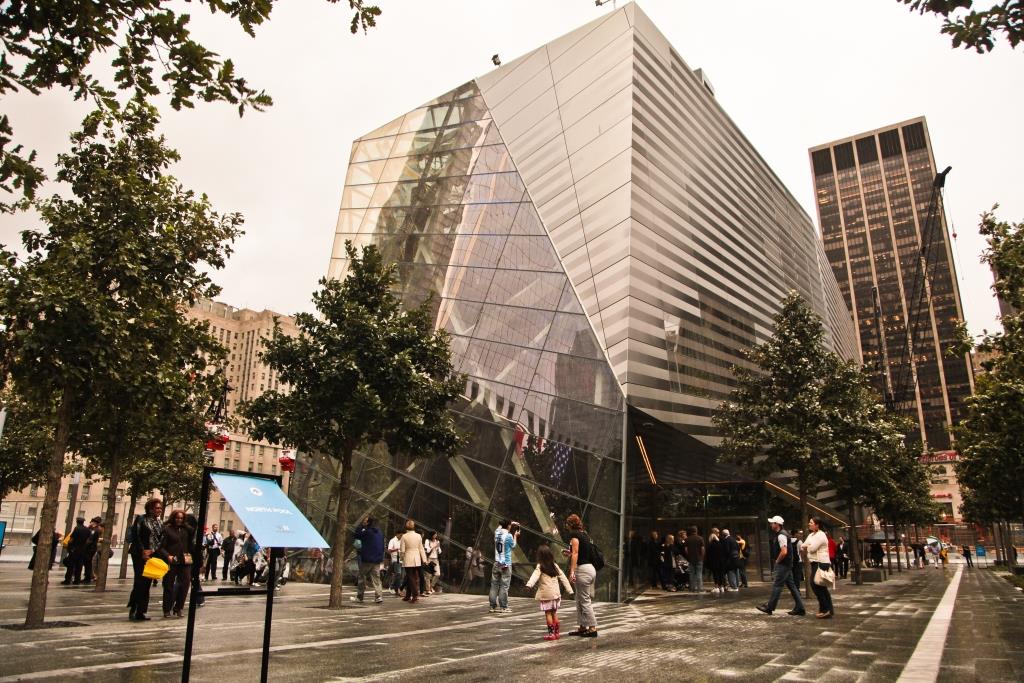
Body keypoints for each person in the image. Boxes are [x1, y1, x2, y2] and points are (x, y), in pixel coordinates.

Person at [756, 515, 806, 616]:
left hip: (783, 564)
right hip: (786, 564)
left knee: (777, 585)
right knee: (792, 586)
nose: (771, 525)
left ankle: (770, 607)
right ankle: (800, 608)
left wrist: (777, 561)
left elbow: (784, 552)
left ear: (777, 524)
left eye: (772, 523)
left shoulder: (781, 535)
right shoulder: (783, 534)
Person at [525, 544, 574, 641]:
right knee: (554, 613)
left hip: (546, 594)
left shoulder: (540, 566)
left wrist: (529, 585)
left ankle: (551, 634)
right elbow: (563, 578)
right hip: (555, 594)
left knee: (548, 613)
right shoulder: (555, 565)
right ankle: (557, 633)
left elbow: (534, 576)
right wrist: (570, 590)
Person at [128, 498, 164, 621]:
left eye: (160, 508)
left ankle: (141, 611)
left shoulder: (160, 523)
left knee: (147, 582)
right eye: (157, 508)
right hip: (138, 554)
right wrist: (143, 551)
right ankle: (134, 607)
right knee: (139, 581)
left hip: (152, 555)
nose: (159, 510)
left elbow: (161, 540)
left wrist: (152, 551)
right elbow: (136, 536)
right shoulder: (141, 519)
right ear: (150, 508)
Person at [565, 513, 599, 638]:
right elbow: (580, 552)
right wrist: (569, 553)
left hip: (583, 569)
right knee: (579, 599)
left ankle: (592, 627)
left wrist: (572, 571)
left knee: (584, 599)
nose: (565, 526)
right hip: (590, 568)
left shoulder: (574, 535)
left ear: (570, 525)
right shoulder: (585, 535)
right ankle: (582, 626)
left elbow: (576, 553)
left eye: (567, 523)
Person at [159, 509, 195, 618]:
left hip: (185, 560)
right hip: (172, 560)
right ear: (173, 518)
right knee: (168, 584)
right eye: (177, 518)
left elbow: (191, 540)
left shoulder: (186, 530)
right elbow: (161, 547)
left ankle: (179, 607)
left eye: (181, 518)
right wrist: (168, 556)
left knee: (185, 584)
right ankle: (167, 609)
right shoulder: (167, 529)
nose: (179, 520)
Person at [804, 517, 834, 619]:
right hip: (815, 562)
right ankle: (827, 610)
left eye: (811, 523)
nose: (809, 524)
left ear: (817, 525)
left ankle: (825, 609)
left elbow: (812, 549)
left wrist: (807, 546)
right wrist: (807, 545)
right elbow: (802, 545)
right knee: (821, 586)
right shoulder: (811, 535)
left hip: (821, 562)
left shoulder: (821, 535)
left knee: (815, 584)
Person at [488, 520, 519, 613]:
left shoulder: (497, 533)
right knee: (504, 586)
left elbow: (499, 528)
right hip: (505, 564)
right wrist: (515, 536)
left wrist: (509, 523)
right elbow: (513, 546)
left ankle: (492, 606)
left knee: (494, 585)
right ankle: (503, 607)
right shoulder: (509, 536)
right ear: (509, 526)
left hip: (497, 563)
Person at [353, 516, 385, 604]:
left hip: (367, 559)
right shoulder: (380, 533)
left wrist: (362, 526)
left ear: (368, 523)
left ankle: (360, 597)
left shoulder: (367, 532)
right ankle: (379, 596)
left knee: (362, 577)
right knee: (376, 579)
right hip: (377, 559)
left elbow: (356, 535)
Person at [399, 520, 428, 604]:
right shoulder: (418, 536)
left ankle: (415, 595)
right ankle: (408, 595)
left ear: (406, 527)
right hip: (417, 559)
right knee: (410, 578)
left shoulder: (404, 536)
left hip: (408, 558)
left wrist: (401, 558)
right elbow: (421, 549)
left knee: (410, 577)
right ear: (414, 526)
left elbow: (402, 550)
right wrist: (424, 559)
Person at [62, 517, 91, 585]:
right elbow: (88, 541)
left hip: (74, 550)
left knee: (71, 565)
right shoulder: (87, 530)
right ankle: (77, 579)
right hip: (82, 550)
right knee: (79, 565)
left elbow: (72, 539)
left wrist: (69, 547)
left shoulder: (77, 528)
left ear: (77, 521)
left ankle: (67, 579)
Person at [685, 526, 705, 593]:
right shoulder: (700, 538)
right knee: (699, 574)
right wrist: (702, 557)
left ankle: (692, 588)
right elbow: (702, 549)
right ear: (696, 531)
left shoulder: (688, 539)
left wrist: (689, 556)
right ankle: (700, 588)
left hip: (691, 559)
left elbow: (686, 550)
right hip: (699, 558)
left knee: (692, 574)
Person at [82, 517, 101, 584]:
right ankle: (87, 577)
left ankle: (88, 578)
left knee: (88, 563)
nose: (90, 522)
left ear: (94, 522)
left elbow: (90, 540)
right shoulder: (92, 529)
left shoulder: (95, 530)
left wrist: (84, 546)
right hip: (90, 548)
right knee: (87, 563)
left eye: (91, 521)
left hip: (90, 549)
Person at [387, 530, 404, 595]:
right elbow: (389, 550)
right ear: (397, 534)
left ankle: (397, 589)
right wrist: (397, 549)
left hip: (402, 559)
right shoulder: (392, 540)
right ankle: (392, 587)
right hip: (395, 559)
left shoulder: (402, 541)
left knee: (401, 575)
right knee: (398, 574)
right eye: (400, 535)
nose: (401, 536)